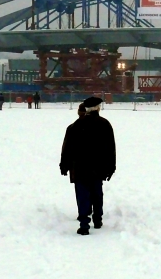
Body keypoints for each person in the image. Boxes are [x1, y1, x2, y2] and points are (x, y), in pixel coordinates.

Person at [59, 97, 116, 236]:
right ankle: (97, 219)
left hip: (79, 167)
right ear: (98, 108)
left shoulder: (75, 125)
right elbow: (110, 148)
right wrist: (111, 166)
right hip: (98, 166)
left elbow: (67, 148)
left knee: (82, 194)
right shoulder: (105, 124)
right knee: (97, 192)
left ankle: (84, 224)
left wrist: (64, 165)